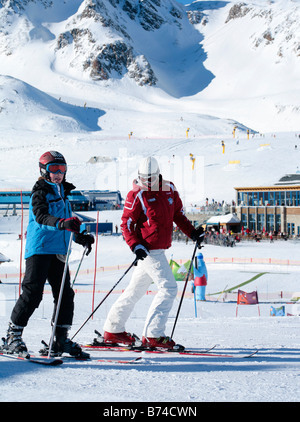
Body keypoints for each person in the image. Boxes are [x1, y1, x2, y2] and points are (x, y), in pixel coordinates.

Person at [103, 156, 204, 349]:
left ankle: (113, 330)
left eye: (151, 178)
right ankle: (153, 335)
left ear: (158, 175)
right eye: (144, 178)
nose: (147, 182)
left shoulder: (170, 190)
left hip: (159, 248)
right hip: (148, 250)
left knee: (135, 290)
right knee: (169, 288)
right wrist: (135, 245)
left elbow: (178, 215)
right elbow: (126, 224)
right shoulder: (136, 194)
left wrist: (192, 232)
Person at [1, 151, 94, 358]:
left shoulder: (63, 193)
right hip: (40, 249)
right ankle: (12, 336)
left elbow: (68, 221)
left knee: (65, 295)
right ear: (44, 170)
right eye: (54, 169)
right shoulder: (39, 193)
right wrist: (62, 224)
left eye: (62, 169)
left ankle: (59, 339)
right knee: (33, 293)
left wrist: (80, 236)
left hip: (59, 251)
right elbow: (42, 217)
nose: (58, 174)